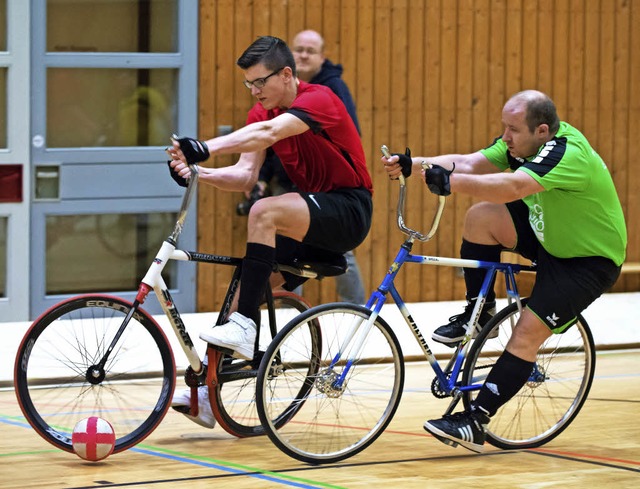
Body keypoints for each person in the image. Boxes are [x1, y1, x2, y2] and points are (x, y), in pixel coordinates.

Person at [382, 90, 626, 452]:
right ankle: (478, 314)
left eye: (513, 129)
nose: (505, 137)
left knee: (527, 333)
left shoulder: (566, 154)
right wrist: (415, 163)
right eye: (504, 127)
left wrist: (451, 184)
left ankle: (476, 419)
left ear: (541, 131)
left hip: (587, 262)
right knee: (481, 217)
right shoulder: (522, 146)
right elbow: (467, 163)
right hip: (550, 236)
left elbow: (511, 187)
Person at [168, 35, 373, 428]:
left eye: (260, 82)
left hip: (348, 208)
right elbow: (246, 174)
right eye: (249, 84)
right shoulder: (258, 113)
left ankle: (247, 326)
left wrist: (204, 146)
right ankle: (210, 398)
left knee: (264, 211)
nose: (255, 91)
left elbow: (268, 135)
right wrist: (199, 173)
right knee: (244, 290)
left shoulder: (320, 99)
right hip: (309, 217)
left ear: (287, 74)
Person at [239, 29, 366, 304]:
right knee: (275, 257)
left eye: (312, 51)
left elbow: (346, 136)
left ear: (322, 57)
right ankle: (283, 314)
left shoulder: (330, 90)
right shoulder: (268, 101)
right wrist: (262, 177)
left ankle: (357, 310)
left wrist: (205, 148)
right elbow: (267, 141)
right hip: (292, 183)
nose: (305, 55)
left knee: (343, 254)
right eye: (300, 49)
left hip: (337, 195)